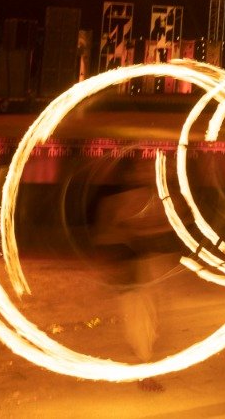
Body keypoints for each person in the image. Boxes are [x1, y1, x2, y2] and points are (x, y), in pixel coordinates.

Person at [90, 159, 181, 390]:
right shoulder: (118, 202)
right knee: (141, 318)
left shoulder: (163, 199)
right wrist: (129, 236)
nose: (146, 174)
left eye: (149, 170)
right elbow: (104, 235)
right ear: (130, 175)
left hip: (154, 266)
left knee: (152, 320)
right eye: (141, 169)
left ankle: (142, 356)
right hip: (132, 269)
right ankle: (144, 370)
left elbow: (172, 227)